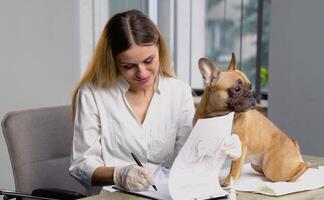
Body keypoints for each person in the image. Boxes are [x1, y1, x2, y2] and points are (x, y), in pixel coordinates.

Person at [69, 9, 241, 195]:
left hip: (169, 193)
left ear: (159, 48)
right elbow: (81, 166)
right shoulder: (92, 95)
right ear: (113, 61)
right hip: (115, 196)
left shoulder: (178, 91)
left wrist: (219, 149)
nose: (142, 73)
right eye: (129, 66)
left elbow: (189, 157)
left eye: (149, 60)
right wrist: (118, 174)